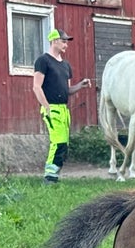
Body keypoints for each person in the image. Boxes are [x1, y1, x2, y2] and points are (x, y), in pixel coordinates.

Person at [33, 28, 92, 184]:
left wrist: (81, 85)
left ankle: (55, 175)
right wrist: (46, 107)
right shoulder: (43, 61)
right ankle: (49, 177)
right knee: (57, 142)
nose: (66, 44)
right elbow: (36, 87)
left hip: (63, 109)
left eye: (67, 41)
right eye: (63, 41)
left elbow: (68, 90)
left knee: (64, 144)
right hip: (51, 107)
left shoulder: (65, 65)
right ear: (54, 41)